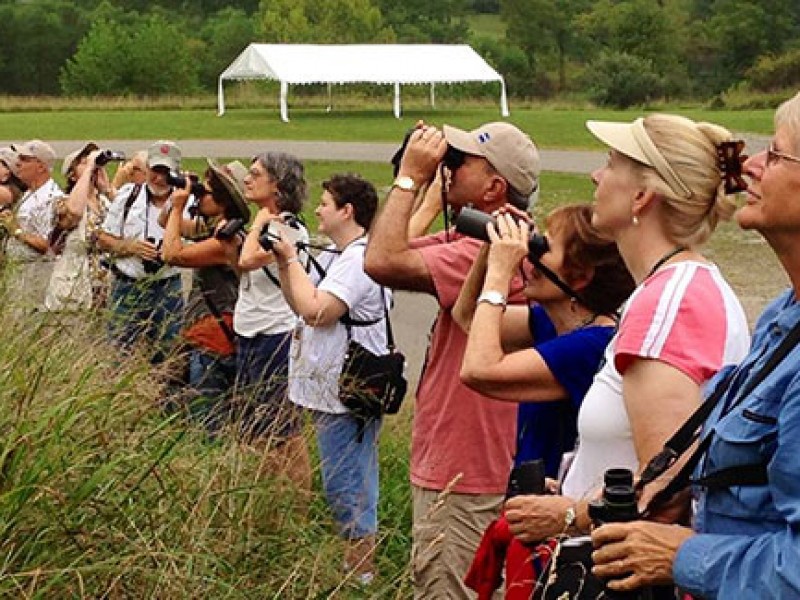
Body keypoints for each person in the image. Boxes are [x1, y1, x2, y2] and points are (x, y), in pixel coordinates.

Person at [504, 114, 750, 555]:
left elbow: (666, 493)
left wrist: (565, 514)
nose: (596, 175)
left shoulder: (667, 304)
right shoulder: (681, 287)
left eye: (612, 162)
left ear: (641, 196)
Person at [590, 92, 800, 600]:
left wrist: (678, 555)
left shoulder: (671, 299)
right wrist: (681, 489)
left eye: (774, 154)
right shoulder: (782, 316)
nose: (748, 167)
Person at [365, 121, 541, 598]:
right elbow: (391, 250)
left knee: (449, 587)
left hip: (464, 474)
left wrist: (409, 177)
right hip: (476, 464)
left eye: (459, 163)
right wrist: (427, 195)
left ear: (494, 188)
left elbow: (380, 262)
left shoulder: (484, 251)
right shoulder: (481, 241)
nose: (448, 168)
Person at [453, 205, 634, 598]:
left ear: (581, 275)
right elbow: (467, 318)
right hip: (535, 520)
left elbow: (478, 370)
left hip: (557, 531)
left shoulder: (592, 345)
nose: (532, 255)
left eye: (544, 248)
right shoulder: (557, 324)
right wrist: (490, 251)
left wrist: (502, 272)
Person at [262, 173, 388, 584]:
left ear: (347, 211)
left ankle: (360, 576)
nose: (316, 209)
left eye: (325, 202)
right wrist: (285, 260)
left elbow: (319, 312)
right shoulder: (341, 253)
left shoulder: (358, 258)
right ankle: (355, 570)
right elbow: (301, 303)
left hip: (346, 392)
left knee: (348, 485)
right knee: (344, 482)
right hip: (332, 390)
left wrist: (292, 258)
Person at [234, 152, 310, 490]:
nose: (247, 180)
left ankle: (298, 500)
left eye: (255, 174)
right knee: (258, 424)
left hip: (276, 333)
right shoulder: (267, 225)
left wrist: (258, 222)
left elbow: (247, 260)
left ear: (276, 185)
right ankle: (267, 493)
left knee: (284, 428)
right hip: (251, 329)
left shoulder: (289, 229)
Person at [161, 159, 250, 430]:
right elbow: (165, 222)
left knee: (208, 425)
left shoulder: (226, 241)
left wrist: (179, 205)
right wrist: (181, 197)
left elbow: (171, 253)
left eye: (205, 193)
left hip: (215, 342)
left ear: (223, 202)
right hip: (209, 336)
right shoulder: (214, 229)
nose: (198, 197)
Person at [97, 140, 191, 361]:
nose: (158, 178)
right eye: (154, 171)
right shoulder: (128, 195)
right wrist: (129, 247)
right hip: (127, 284)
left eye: (165, 172)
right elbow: (102, 238)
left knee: (168, 354)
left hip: (167, 286)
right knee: (118, 352)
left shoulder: (187, 201)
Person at [43, 142, 112, 311]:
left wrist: (108, 189)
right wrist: (89, 170)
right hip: (72, 291)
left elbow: (129, 222)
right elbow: (73, 212)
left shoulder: (105, 202)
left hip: (103, 289)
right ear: (72, 175)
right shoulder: (60, 201)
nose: (94, 166)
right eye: (83, 162)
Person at [0, 139, 62, 307]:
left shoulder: (51, 197)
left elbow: (46, 244)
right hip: (20, 273)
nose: (17, 163)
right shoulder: (30, 194)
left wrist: (16, 230)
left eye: (25, 159)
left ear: (41, 166)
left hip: (35, 275)